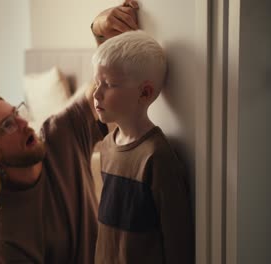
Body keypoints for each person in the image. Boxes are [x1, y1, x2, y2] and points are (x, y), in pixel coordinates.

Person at [0, 2, 139, 263]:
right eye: (6, 125)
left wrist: (99, 31)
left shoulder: (58, 134)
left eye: (16, 112)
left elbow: (96, 90)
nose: (22, 123)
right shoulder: (6, 230)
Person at [92, 30, 194, 264]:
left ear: (145, 92)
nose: (96, 94)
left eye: (108, 84)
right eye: (96, 83)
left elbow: (178, 242)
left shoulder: (157, 157)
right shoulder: (107, 146)